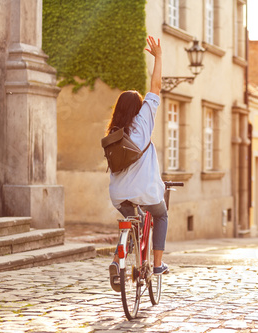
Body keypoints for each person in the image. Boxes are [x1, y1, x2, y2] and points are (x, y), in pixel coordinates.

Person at [108, 36, 168, 292]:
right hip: (146, 191)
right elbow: (156, 85)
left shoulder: (113, 133)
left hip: (119, 195)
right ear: (139, 107)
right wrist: (158, 57)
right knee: (161, 215)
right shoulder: (144, 120)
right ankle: (156, 265)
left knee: (132, 222)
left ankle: (117, 260)